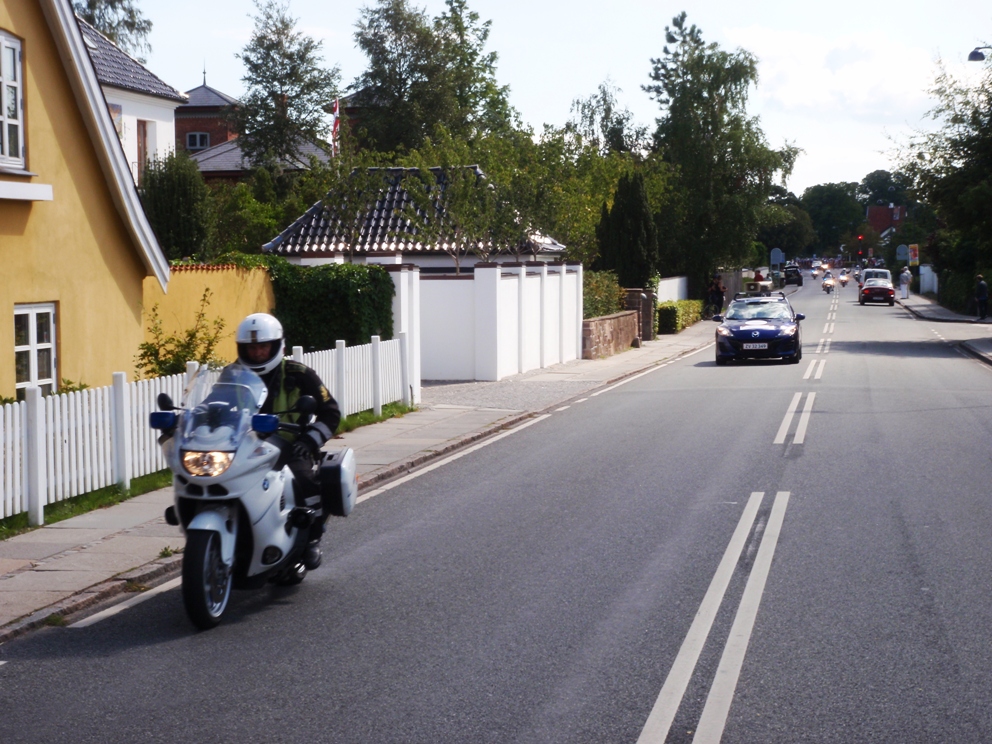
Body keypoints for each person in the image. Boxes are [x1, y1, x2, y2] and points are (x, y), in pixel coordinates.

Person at [236, 313, 341, 570]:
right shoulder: (233, 374)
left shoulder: (298, 373)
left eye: (263, 346)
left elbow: (331, 411)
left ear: (276, 346)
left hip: (288, 444)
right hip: (243, 448)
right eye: (252, 347)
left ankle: (312, 538)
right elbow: (216, 407)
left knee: (305, 481)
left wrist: (309, 441)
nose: (258, 352)